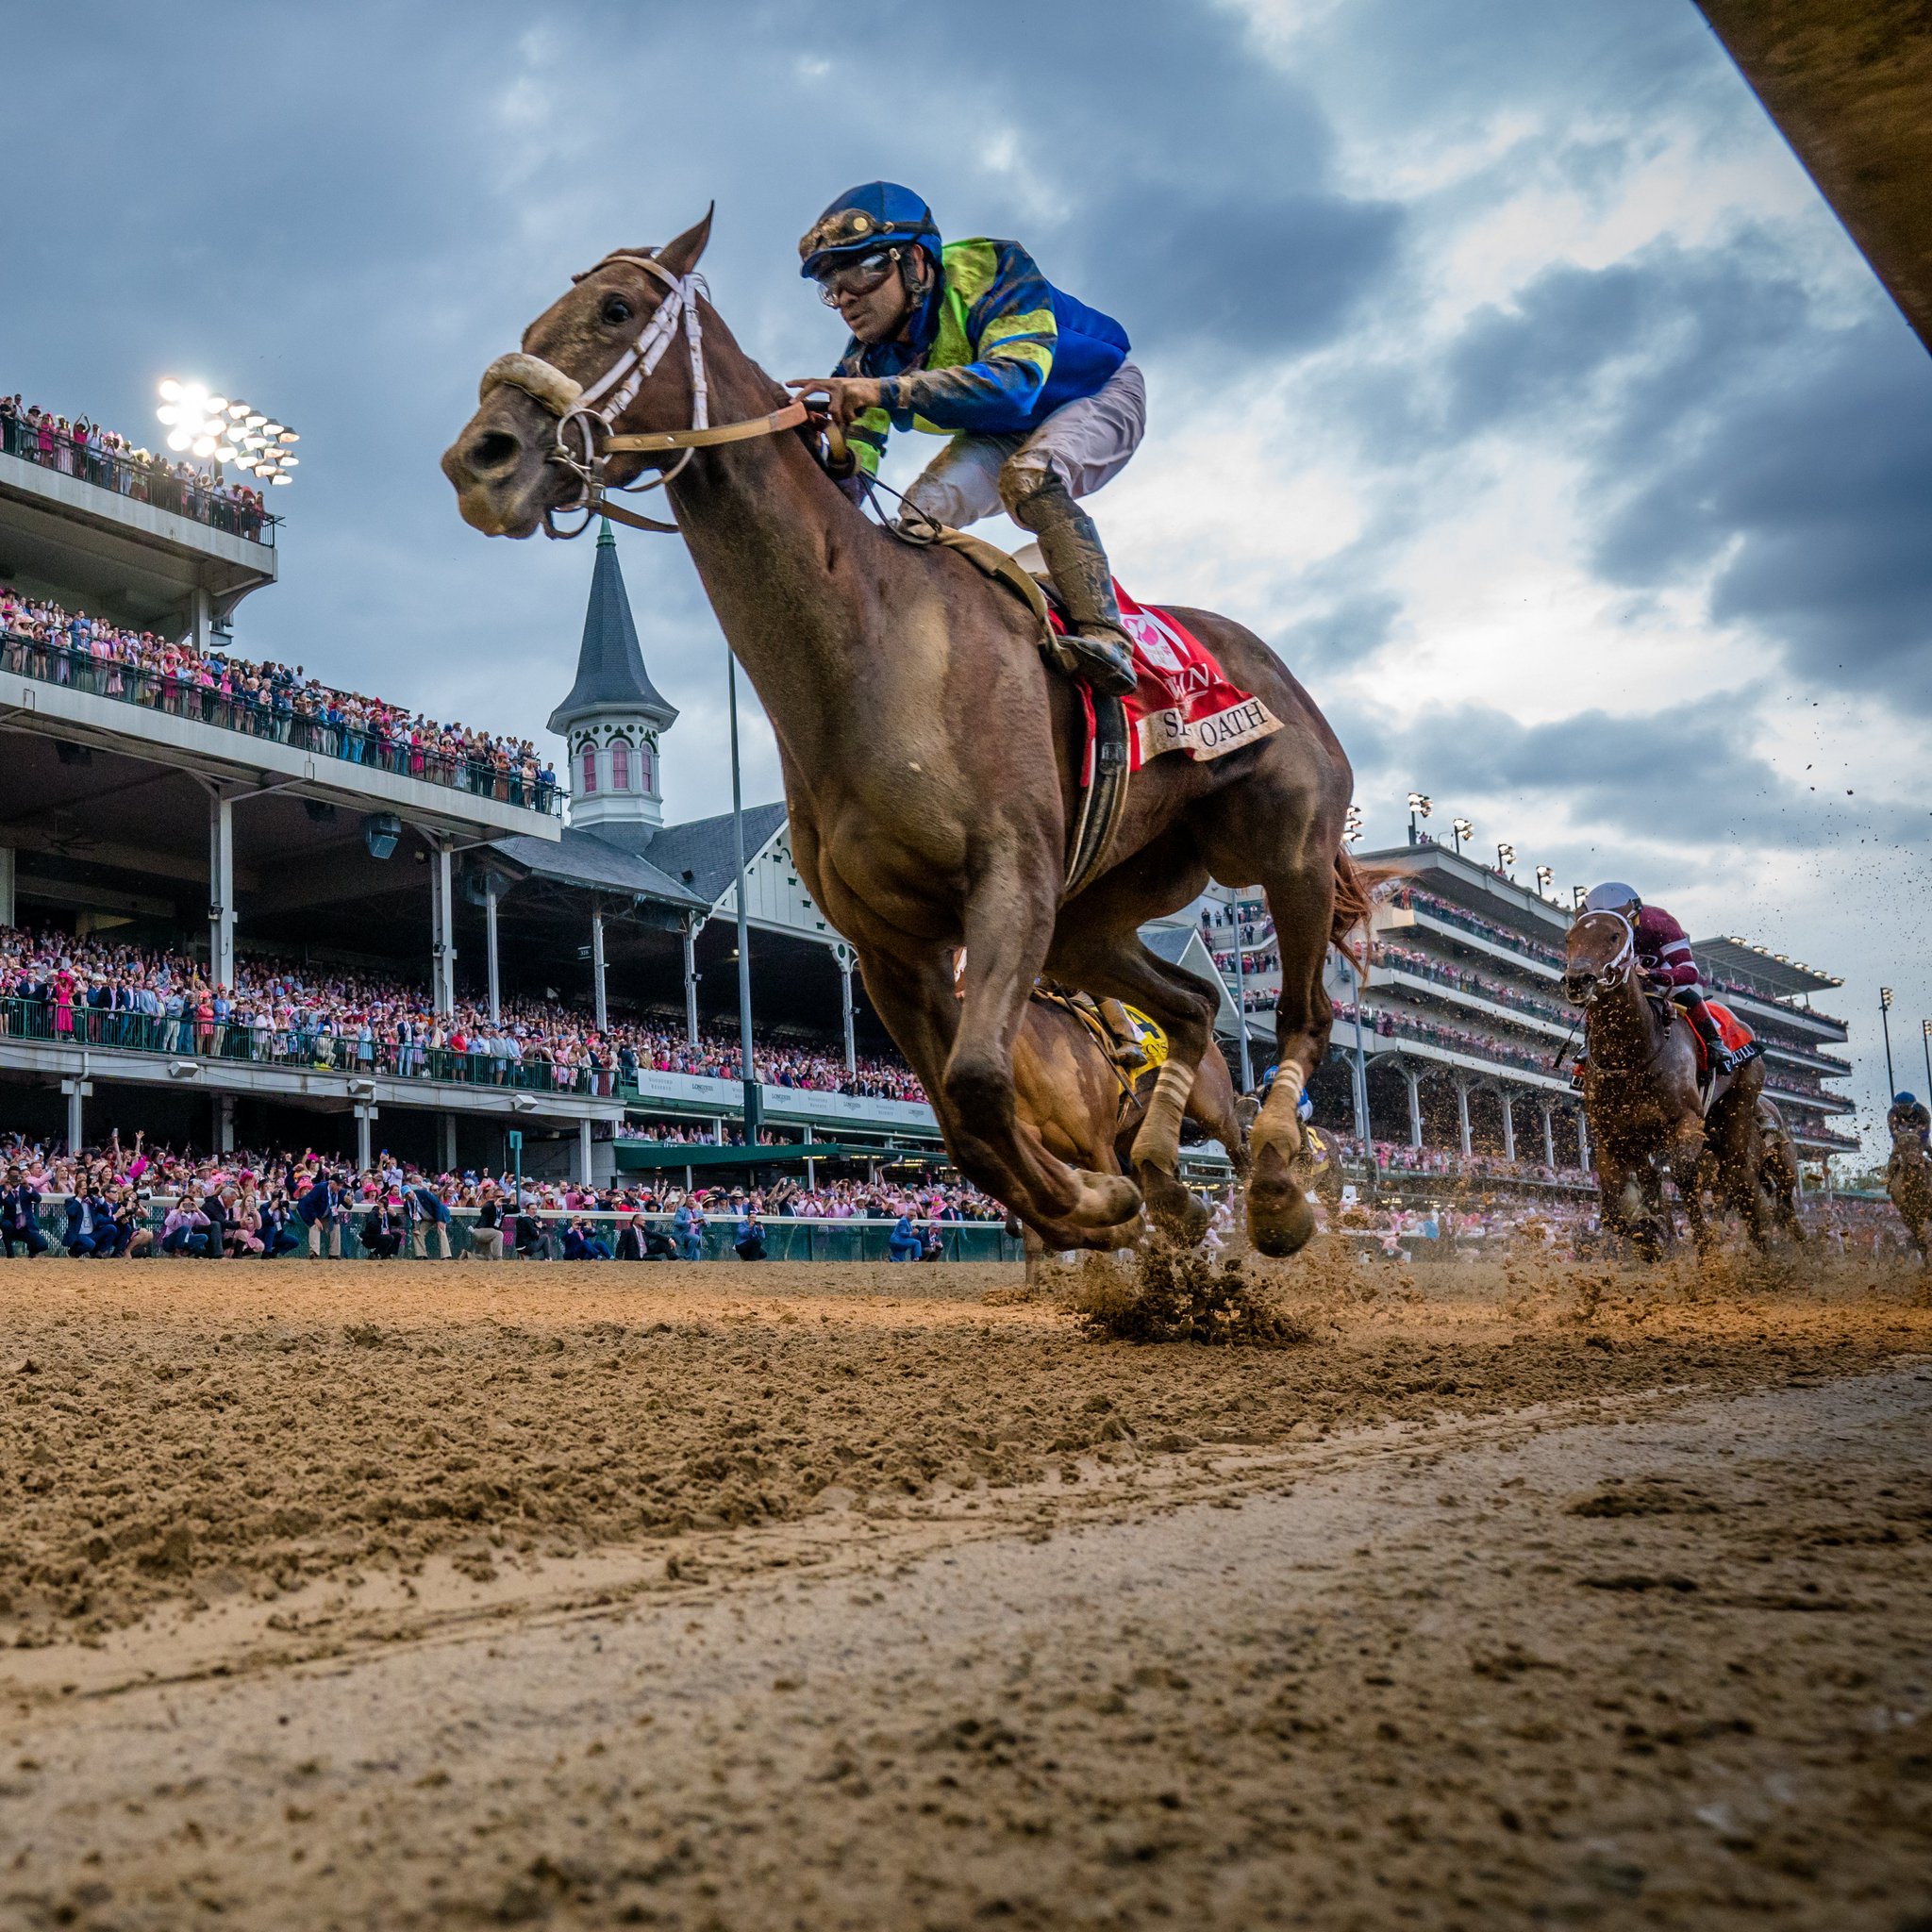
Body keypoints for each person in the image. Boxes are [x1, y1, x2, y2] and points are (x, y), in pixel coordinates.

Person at [789, 181, 1141, 697]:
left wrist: (886, 390)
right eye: (831, 286)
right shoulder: (865, 361)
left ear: (915, 260)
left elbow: (1016, 384)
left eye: (860, 272)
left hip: (1098, 392)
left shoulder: (991, 269)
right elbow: (852, 483)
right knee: (916, 519)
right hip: (1000, 429)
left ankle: (1107, 637)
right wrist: (823, 453)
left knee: (1030, 478)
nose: (845, 299)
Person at [1579, 883, 1741, 1076]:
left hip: (1660, 968)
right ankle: (1588, 1046)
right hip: (1623, 973)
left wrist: (1652, 974)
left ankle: (1714, 1043)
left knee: (1682, 993)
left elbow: (1690, 972)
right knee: (1598, 996)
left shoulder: (1660, 922)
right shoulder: (1594, 930)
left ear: (1633, 917)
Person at [0, 1168, 50, 1257]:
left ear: (20, 1176)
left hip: (27, 1227)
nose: (14, 1179)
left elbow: (38, 1199)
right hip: (11, 1226)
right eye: (12, 1176)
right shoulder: (3, 1189)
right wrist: (5, 1192)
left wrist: (27, 1187)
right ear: (8, 1177)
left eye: (16, 1176)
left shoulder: (27, 1187)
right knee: (5, 1225)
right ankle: (10, 1255)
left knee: (43, 1245)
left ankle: (31, 1252)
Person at [1888, 1091, 1931, 1176]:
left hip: (1919, 1132)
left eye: (1908, 1107)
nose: (1905, 1110)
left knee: (1928, 1148)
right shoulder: (1892, 1113)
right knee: (1895, 1152)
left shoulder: (1922, 1111)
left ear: (1913, 1105)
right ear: (1897, 1107)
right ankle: (1889, 1176)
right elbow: (1893, 1131)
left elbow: (1926, 1130)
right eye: (1902, 1107)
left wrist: (1923, 1142)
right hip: (1901, 1132)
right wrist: (1897, 1142)